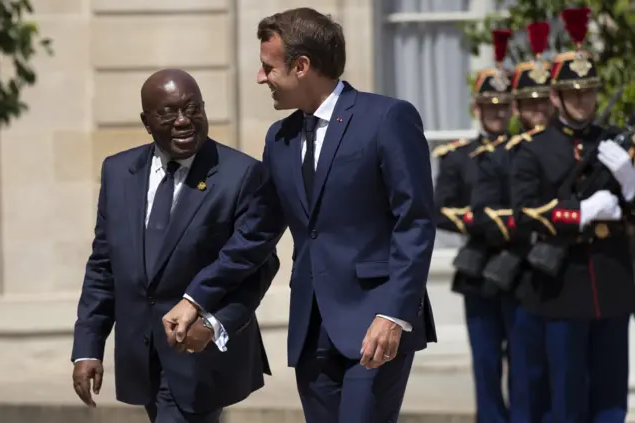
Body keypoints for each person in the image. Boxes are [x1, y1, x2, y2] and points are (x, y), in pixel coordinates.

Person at [256, 7, 436, 423]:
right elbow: (258, 232)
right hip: (311, 330)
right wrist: (202, 300)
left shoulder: (387, 118)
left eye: (268, 67)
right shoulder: (278, 138)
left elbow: (415, 221)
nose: (261, 78)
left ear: (301, 66)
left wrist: (394, 314)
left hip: (376, 324)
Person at [71, 68, 281, 423]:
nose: (184, 121)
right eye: (168, 112)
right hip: (140, 355)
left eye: (193, 109)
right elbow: (104, 265)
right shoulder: (118, 172)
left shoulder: (241, 174)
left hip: (200, 354)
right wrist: (87, 348)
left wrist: (214, 324)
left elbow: (258, 265)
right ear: (147, 121)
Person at [509, 8, 635, 422]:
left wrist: (630, 185)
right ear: (556, 96)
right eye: (574, 92)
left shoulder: (614, 142)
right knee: (566, 394)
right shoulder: (533, 149)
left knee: (612, 395)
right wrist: (578, 213)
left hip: (612, 281)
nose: (583, 99)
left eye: (589, 91)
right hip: (561, 288)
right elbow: (524, 215)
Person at [434, 29, 514, 423]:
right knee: (485, 360)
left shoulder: (524, 152)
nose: (498, 114)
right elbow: (437, 208)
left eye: (504, 107)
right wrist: (477, 221)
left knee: (525, 359)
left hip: (523, 268)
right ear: (477, 108)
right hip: (480, 268)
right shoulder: (458, 157)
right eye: (490, 106)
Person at [498, 21, 555, 423]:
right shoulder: (506, 152)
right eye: (528, 104)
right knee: (525, 366)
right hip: (519, 269)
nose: (537, 111)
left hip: (564, 268)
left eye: (543, 102)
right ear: (517, 107)